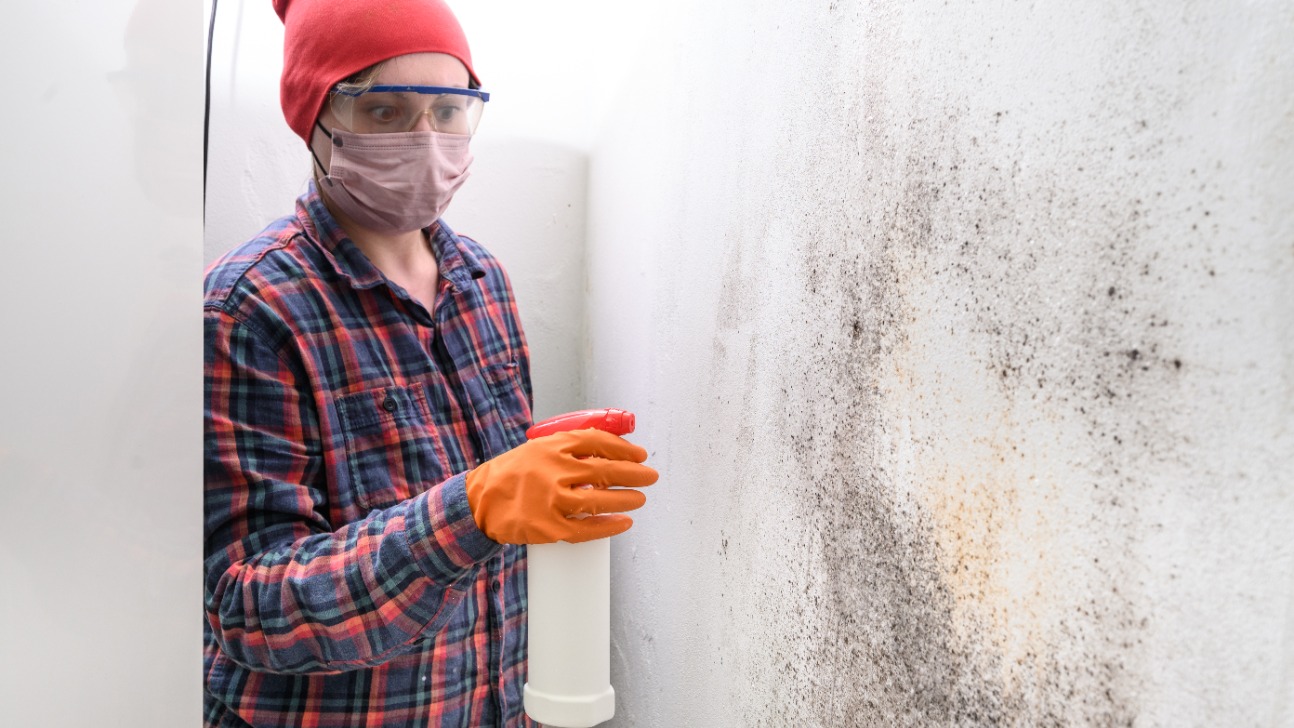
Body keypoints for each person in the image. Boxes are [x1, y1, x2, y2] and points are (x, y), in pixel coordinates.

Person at [202, 1, 659, 725]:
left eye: (449, 110)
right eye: (384, 111)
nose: (425, 139)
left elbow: (500, 570)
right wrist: (471, 507)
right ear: (316, 117)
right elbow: (247, 608)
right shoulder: (248, 306)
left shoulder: (482, 280)